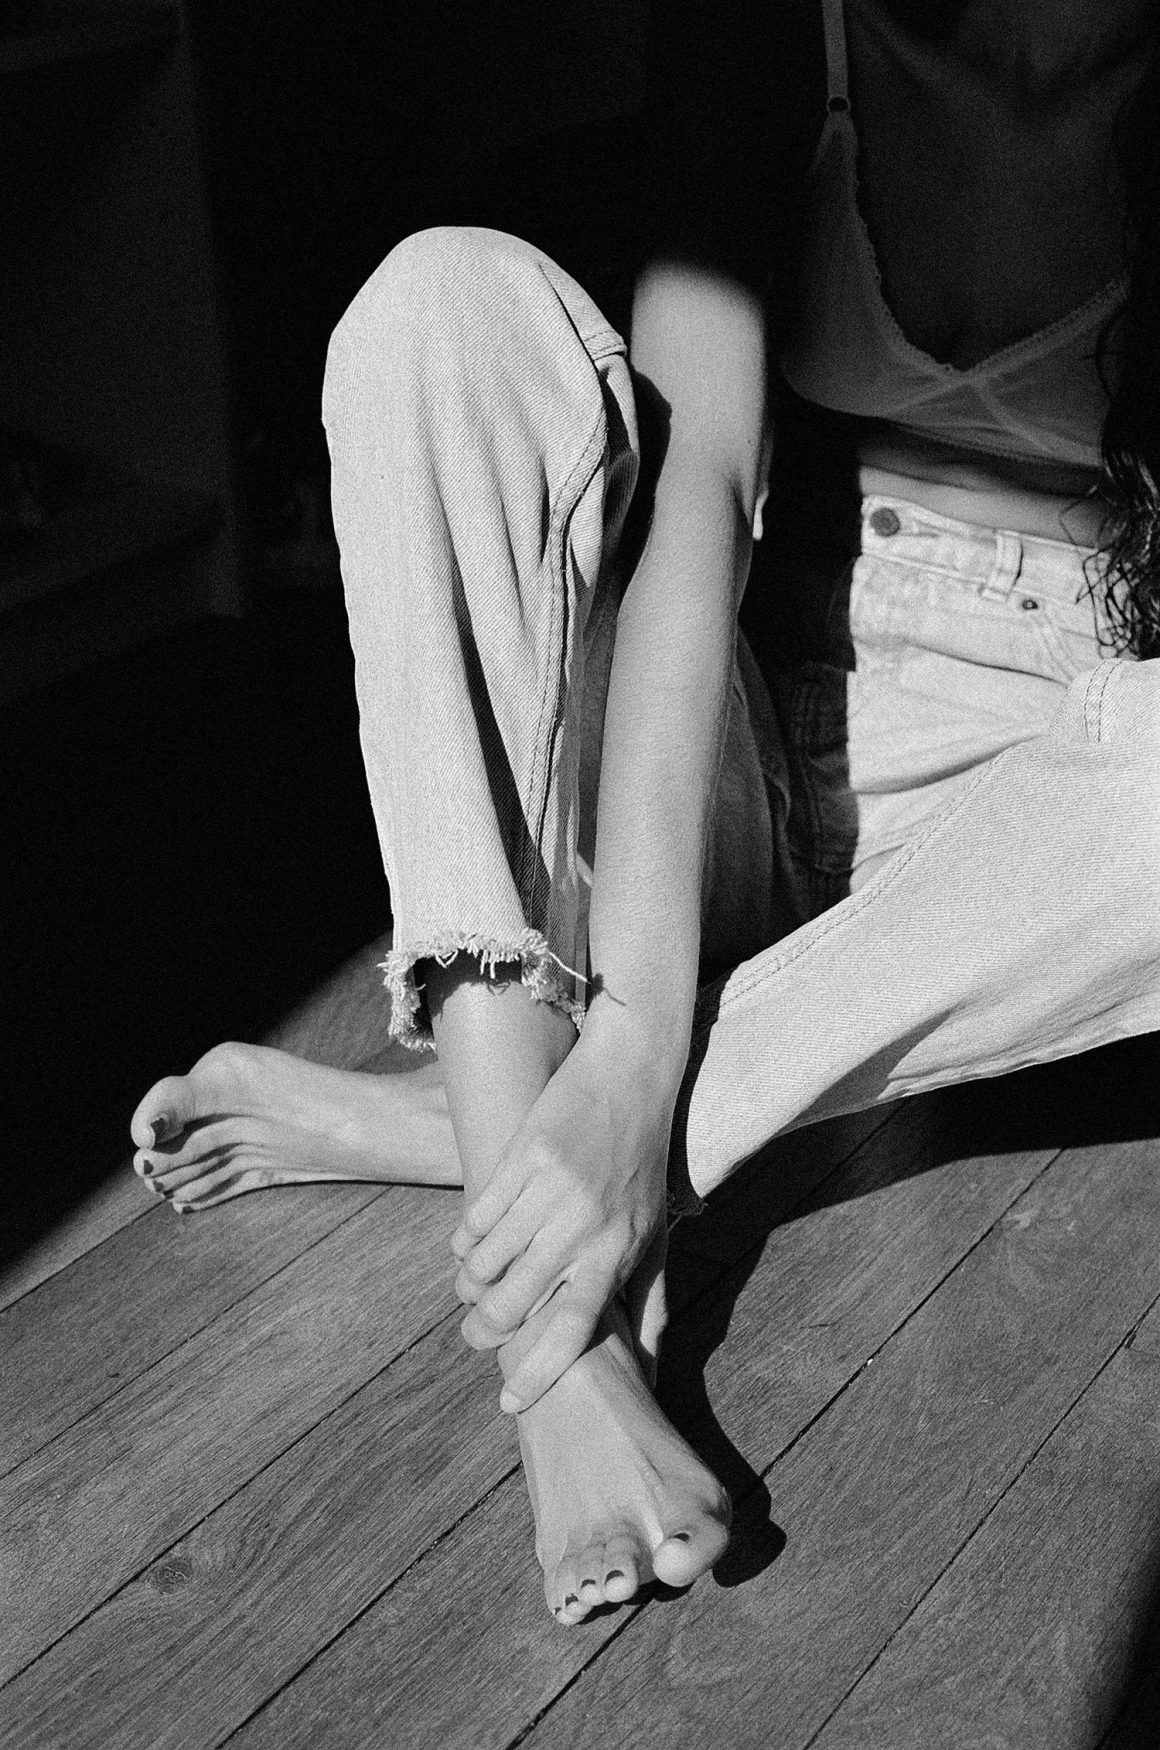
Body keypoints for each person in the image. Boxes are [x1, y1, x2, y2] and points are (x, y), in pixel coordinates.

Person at [131, 0, 1160, 1626]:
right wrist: (630, 1022)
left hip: (1017, 833)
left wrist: (633, 1092)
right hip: (740, 739)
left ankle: (499, 1142)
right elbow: (699, 501)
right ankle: (560, 1351)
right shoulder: (797, 23)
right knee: (434, 309)